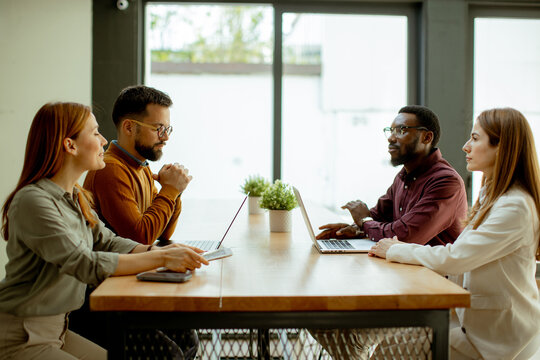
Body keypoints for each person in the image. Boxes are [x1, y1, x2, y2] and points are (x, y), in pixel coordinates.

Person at [0, 102, 208, 359]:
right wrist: (162, 257)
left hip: (60, 331)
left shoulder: (76, 196)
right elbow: (83, 263)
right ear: (70, 145)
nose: (103, 141)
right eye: (95, 133)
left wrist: (158, 249)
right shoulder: (34, 201)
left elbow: (106, 241)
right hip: (22, 335)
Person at [370, 108, 540, 359]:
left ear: (501, 147)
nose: (465, 146)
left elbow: (457, 257)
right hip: (472, 323)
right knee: (389, 345)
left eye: (475, 138)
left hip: (497, 337)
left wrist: (394, 249)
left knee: (389, 352)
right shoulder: (492, 196)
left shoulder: (515, 206)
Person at [316, 105, 468, 246]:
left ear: (427, 138)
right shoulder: (403, 176)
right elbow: (378, 217)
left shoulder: (446, 182)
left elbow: (405, 236)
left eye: (401, 130)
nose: (391, 138)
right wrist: (354, 228)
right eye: (391, 130)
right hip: (404, 267)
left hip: (432, 273)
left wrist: (364, 221)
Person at [84, 85, 188, 245]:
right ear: (129, 127)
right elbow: (141, 238)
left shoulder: (141, 166)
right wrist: (170, 190)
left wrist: (175, 192)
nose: (166, 137)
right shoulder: (111, 169)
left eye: (167, 129)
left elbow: (163, 233)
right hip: (116, 269)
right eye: (159, 128)